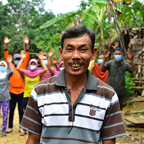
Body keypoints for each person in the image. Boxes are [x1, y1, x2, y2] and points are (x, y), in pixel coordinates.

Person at [20, 25, 126, 144]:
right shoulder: (40, 91)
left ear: (93, 53)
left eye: (83, 49)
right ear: (61, 52)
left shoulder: (108, 95)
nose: (75, 56)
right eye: (69, 49)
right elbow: (33, 140)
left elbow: (109, 142)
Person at [17, 50, 47, 135]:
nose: (33, 65)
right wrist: (22, 59)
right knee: (25, 112)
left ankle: (36, 129)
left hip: (36, 96)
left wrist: (41, 60)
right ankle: (24, 129)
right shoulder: (25, 73)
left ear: (36, 65)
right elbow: (18, 68)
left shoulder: (38, 73)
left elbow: (45, 69)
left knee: (37, 113)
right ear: (29, 65)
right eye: (31, 64)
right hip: (26, 95)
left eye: (34, 64)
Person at [4, 36, 30, 133]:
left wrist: (26, 45)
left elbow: (27, 56)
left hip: (21, 91)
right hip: (12, 91)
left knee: (21, 110)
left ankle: (21, 126)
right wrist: (6, 45)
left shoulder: (22, 66)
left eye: (19, 58)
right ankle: (10, 126)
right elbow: (6, 56)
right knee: (11, 110)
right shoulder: (10, 65)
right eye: (16, 58)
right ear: (14, 59)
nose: (18, 60)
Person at [0, 56, 13, 136]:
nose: (2, 67)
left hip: (6, 98)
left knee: (5, 114)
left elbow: (12, 71)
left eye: (3, 66)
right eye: (0, 66)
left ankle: (3, 130)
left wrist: (9, 63)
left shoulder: (6, 76)